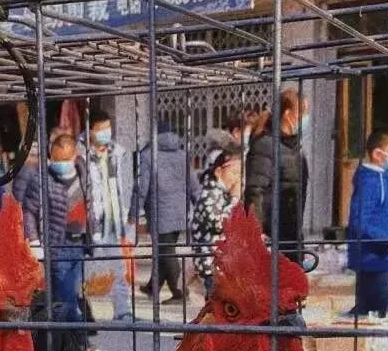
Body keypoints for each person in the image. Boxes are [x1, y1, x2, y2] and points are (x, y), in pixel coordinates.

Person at [22, 132, 88, 321]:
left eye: (65, 159)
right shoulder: (42, 180)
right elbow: (29, 211)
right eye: (56, 159)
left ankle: (63, 332)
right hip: (57, 245)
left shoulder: (85, 174)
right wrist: (34, 241)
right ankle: (78, 333)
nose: (60, 164)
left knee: (71, 292)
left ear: (74, 156)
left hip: (80, 244)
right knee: (66, 295)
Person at [132, 121, 200, 303]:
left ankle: (180, 293)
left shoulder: (147, 156)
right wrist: (199, 205)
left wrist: (134, 212)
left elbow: (141, 187)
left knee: (167, 251)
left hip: (160, 212)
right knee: (164, 249)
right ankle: (152, 287)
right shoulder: (182, 155)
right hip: (180, 211)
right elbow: (193, 184)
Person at [79, 111, 135, 321]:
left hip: (113, 222)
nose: (105, 133)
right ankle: (81, 312)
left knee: (118, 268)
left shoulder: (117, 153)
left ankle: (122, 310)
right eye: (100, 129)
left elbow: (126, 185)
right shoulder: (81, 155)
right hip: (90, 223)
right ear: (90, 131)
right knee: (84, 271)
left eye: (107, 128)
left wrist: (128, 217)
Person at [345, 129, 388, 319]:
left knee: (371, 304)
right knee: (379, 306)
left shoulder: (387, 178)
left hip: (382, 254)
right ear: (378, 154)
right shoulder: (370, 181)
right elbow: (359, 222)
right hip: (371, 255)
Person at [244, 89, 310, 262]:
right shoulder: (266, 145)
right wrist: (256, 233)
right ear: (288, 114)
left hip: (290, 233)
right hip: (272, 234)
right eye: (303, 113)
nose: (306, 119)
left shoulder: (294, 148)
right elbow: (255, 190)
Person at [189, 131, 243, 298]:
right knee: (216, 302)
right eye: (234, 173)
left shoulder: (222, 194)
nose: (237, 179)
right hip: (211, 264)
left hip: (222, 264)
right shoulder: (209, 195)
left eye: (239, 174)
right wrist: (235, 199)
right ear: (219, 172)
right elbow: (220, 223)